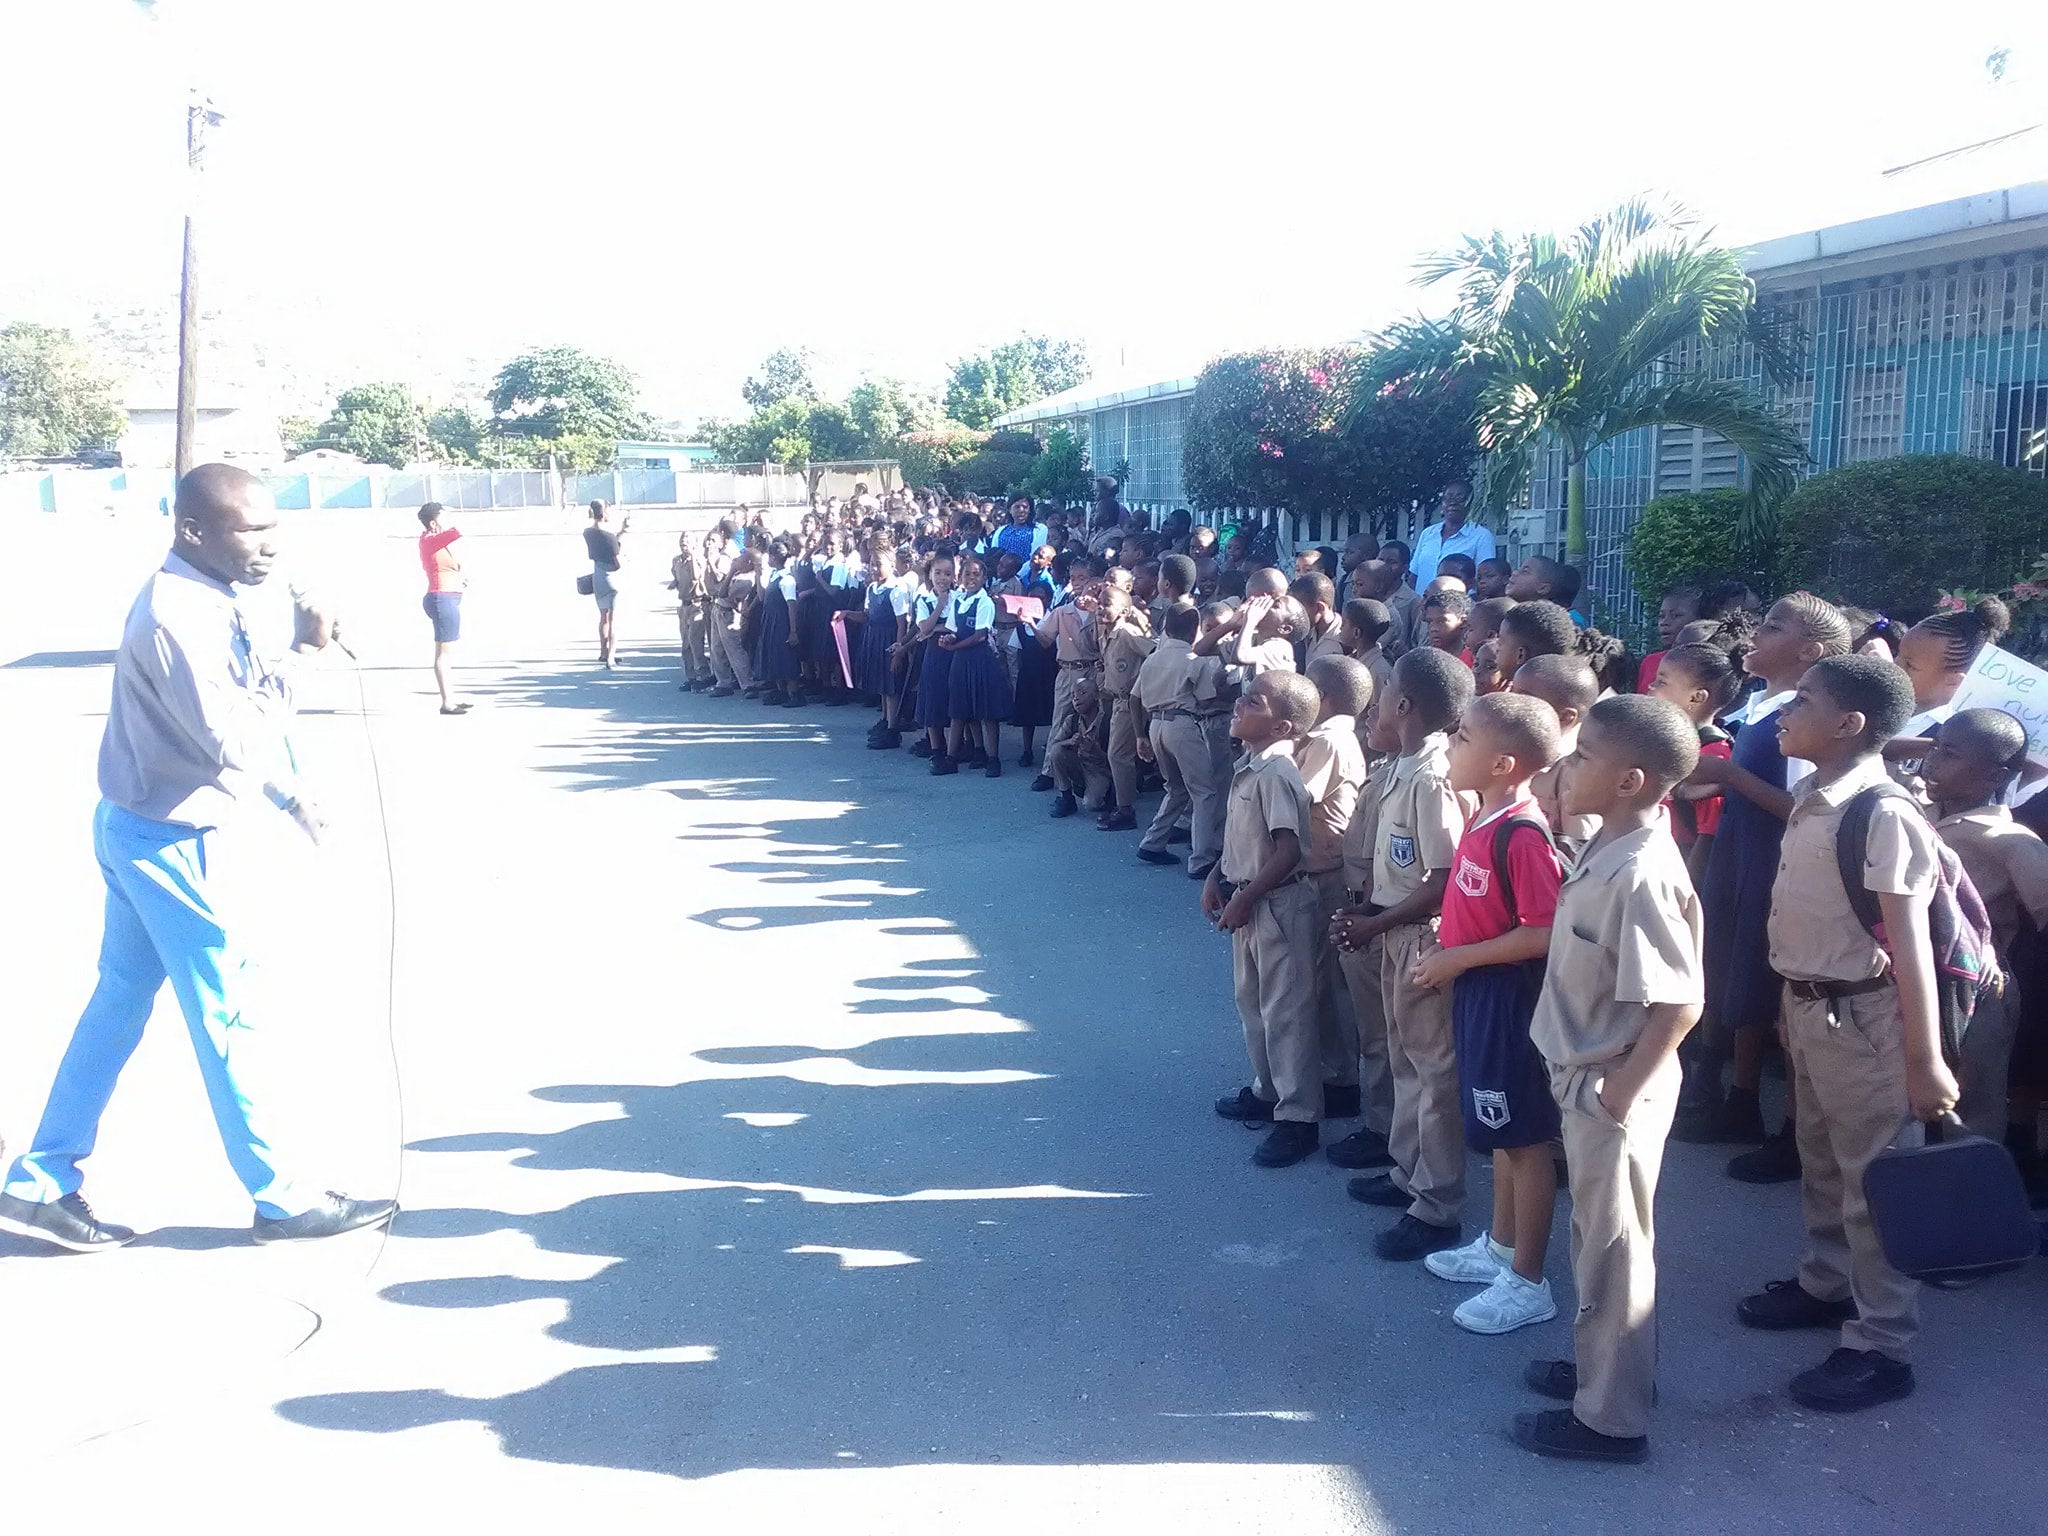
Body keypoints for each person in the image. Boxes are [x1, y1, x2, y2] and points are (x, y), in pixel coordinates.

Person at [0, 464, 396, 1252]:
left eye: (272, 525)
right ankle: (282, 1200)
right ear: (193, 531)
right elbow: (231, 737)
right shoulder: (179, 615)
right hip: (168, 840)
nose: (269, 544)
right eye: (250, 529)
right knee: (226, 1013)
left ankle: (38, 1182)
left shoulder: (210, 600)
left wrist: (289, 794)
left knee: (117, 1006)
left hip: (140, 825)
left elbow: (228, 732)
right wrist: (308, 657)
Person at [1738, 653, 1956, 1414]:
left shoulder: (1881, 811)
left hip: (1865, 1018)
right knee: (1821, 1160)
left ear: (1849, 724)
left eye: (1802, 701)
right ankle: (1827, 1283)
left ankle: (1881, 1344)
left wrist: (1923, 1059)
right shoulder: (1817, 793)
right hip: (1811, 1006)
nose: (1782, 714)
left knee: (1876, 1182)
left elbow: (1911, 947)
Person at [1515, 694, 1704, 1465]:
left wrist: (1618, 1095)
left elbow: (1680, 1002)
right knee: (1593, 1236)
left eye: (1585, 757)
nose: (1567, 767)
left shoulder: (1642, 871)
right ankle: (1599, 1368)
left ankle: (1611, 1419)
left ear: (1630, 780)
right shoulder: (1608, 841)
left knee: (1616, 1251)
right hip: (1585, 1076)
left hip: (1611, 1085)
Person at [1674, 593, 1851, 1179]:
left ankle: (1792, 1132)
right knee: (1740, 981)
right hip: (1741, 859)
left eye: (1772, 627)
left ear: (1810, 651)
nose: (1755, 632)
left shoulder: (1803, 721)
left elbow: (1799, 805)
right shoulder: (1762, 704)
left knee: (1773, 994)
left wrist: (1728, 775)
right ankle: (1740, 1098)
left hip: (1776, 868)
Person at [1411, 692, 1567, 1336]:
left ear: (1504, 763)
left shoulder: (1522, 832)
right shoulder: (1483, 813)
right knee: (1497, 1126)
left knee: (1525, 1138)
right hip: (1480, 988)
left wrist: (1458, 959)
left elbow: (1544, 931)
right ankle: (1499, 1247)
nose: (1451, 741)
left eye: (1464, 736)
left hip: (1508, 998)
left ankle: (1528, 1280)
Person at [1330, 648, 1475, 1261]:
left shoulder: (1432, 777)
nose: (1380, 697)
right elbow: (1401, 869)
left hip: (1421, 938)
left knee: (1431, 1071)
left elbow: (1442, 880)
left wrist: (1378, 922)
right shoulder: (1401, 765)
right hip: (1394, 930)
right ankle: (1408, 1174)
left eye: (1387, 688)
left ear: (1405, 704)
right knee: (1404, 1059)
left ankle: (1437, 1206)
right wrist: (1370, 916)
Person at [1206, 671, 1327, 1167]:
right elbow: (1242, 838)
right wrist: (1217, 877)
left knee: (1286, 1012)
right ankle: (1268, 1089)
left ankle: (1299, 1118)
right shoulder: (1251, 765)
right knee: (1251, 1001)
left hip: (1277, 905)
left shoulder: (1278, 772)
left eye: (1253, 702)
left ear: (1284, 727)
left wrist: (1245, 897)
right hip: (1248, 900)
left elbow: (1288, 850)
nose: (1240, 705)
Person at [1918, 709, 2048, 1138]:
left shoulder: (2009, 841)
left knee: (1972, 1106)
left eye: (1950, 754)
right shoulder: (1919, 814)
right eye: (1935, 748)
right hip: (1915, 981)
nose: (1934, 761)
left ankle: (1966, 1198)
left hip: (1975, 993)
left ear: (1995, 776)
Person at [1298, 656, 1374, 1129]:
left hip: (1326, 873)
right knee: (1324, 982)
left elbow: (1294, 797)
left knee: (1326, 984)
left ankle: (1340, 1078)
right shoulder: (1333, 737)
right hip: (1325, 868)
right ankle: (1336, 1072)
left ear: (1322, 699)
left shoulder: (1327, 741)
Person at [1134, 604, 1229, 875]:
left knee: (1176, 788)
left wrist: (1140, 734)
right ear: (1195, 631)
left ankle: (1152, 842)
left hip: (1156, 724)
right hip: (1183, 725)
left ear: (1165, 629)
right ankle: (1201, 859)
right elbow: (1207, 699)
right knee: (1204, 791)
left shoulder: (1153, 657)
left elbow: (1134, 698)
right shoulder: (1193, 659)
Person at [1512, 653, 1603, 858]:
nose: (1511, 704)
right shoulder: (1511, 745)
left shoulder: (1575, 770)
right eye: (1512, 693)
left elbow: (1578, 849)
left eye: (1524, 699)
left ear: (1565, 716)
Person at [938, 554, 1012, 778]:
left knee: (987, 711)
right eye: (967, 574)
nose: (971, 578)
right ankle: (952, 758)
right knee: (959, 708)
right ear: (960, 577)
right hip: (961, 659)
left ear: (984, 577)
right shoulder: (958, 600)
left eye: (976, 574)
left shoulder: (985, 602)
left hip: (981, 659)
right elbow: (953, 629)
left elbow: (980, 635)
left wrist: (955, 645)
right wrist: (948, 639)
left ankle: (993, 758)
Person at [1097, 585, 1155, 831]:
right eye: (1099, 603)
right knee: (1116, 753)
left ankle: (1125, 810)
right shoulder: (1106, 633)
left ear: (1122, 610)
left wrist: (1144, 682)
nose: (1100, 607)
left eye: (1106, 604)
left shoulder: (1127, 633)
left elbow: (1154, 650)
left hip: (1131, 701)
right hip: (1115, 699)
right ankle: (1119, 802)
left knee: (1118, 755)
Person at [417, 502, 470, 715]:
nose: (447, 520)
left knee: (447, 652)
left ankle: (451, 697)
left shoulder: (435, 542)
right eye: (442, 516)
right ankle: (447, 702)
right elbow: (455, 532)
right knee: (443, 654)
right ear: (432, 522)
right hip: (441, 599)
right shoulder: (429, 540)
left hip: (447, 598)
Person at [1045, 674, 1113, 818]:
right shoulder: (1072, 720)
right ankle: (1067, 798)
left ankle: (1109, 796)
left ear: (1096, 696)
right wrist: (1069, 742)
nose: (1076, 698)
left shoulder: (1107, 722)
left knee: (1092, 805)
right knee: (1056, 752)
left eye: (1082, 693)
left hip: (1099, 770)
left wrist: (1095, 750)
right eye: (1073, 695)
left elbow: (1115, 760)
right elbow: (1055, 745)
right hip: (1080, 763)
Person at [1409, 478, 1498, 585]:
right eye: (1448, 498)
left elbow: (1484, 578)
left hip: (1457, 600)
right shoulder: (1427, 533)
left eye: (1460, 499)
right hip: (1423, 600)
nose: (1453, 503)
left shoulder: (1481, 536)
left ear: (1470, 503)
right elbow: (1414, 575)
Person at [584, 500, 629, 669]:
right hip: (612, 577)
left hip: (598, 575)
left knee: (603, 616)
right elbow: (618, 562)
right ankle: (611, 656)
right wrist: (625, 558)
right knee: (613, 619)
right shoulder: (608, 537)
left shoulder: (588, 532)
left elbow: (608, 545)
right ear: (603, 513)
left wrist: (622, 532)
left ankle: (603, 652)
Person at [1636, 582, 1703, 694]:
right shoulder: (1650, 662)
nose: (1664, 622)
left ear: (1699, 620)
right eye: (1662, 616)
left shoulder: (1707, 665)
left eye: (1676, 615)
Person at [673, 530, 716, 695]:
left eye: (688, 539)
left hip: (697, 604)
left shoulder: (698, 560)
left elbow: (696, 577)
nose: (684, 541)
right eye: (682, 538)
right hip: (684, 605)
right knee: (686, 644)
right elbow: (677, 578)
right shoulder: (676, 561)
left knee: (696, 642)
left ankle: (703, 675)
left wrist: (691, 558)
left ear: (695, 544)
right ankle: (690, 676)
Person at [1378, 541, 1425, 656]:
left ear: (1405, 567)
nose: (1384, 566)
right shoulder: (1368, 593)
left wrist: (1406, 652)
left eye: (1392, 562)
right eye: (1380, 560)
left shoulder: (1413, 601)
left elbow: (1420, 642)